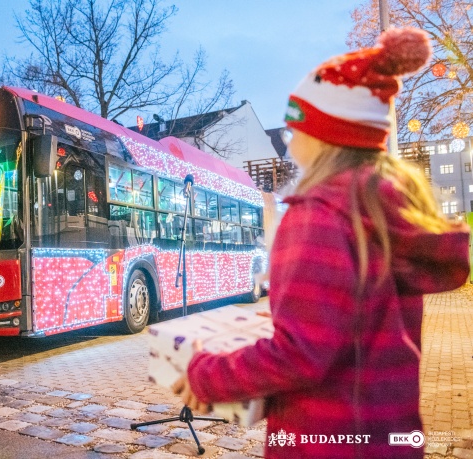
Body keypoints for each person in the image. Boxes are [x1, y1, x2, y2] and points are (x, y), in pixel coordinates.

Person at [172, 27, 470, 458]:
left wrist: (205, 374)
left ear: (326, 134)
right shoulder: (385, 210)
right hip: (386, 436)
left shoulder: (319, 214)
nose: (291, 142)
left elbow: (299, 354)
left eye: (296, 129)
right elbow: (344, 341)